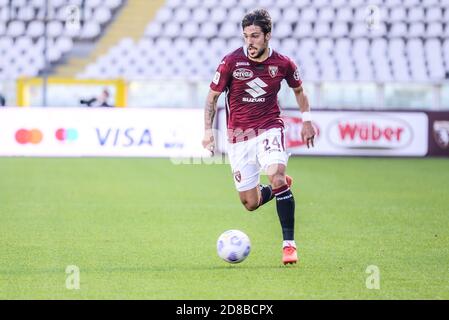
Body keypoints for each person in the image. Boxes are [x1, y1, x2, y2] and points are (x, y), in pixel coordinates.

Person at [202, 9, 316, 265]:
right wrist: (208, 132)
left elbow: (299, 91)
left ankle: (289, 245)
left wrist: (307, 120)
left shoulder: (284, 63)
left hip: (269, 127)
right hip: (239, 136)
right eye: (245, 36)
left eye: (255, 36)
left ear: (267, 36)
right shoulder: (231, 62)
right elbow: (212, 98)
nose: (249, 42)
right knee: (250, 203)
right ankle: (280, 186)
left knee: (275, 174)